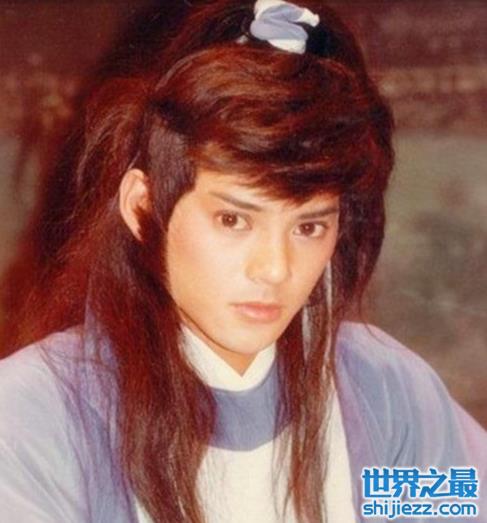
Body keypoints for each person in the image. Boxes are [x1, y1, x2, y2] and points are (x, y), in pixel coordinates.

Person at [0, 1, 485, 522]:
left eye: (308, 228)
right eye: (233, 220)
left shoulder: (380, 391)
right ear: (142, 207)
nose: (275, 269)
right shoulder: (36, 415)